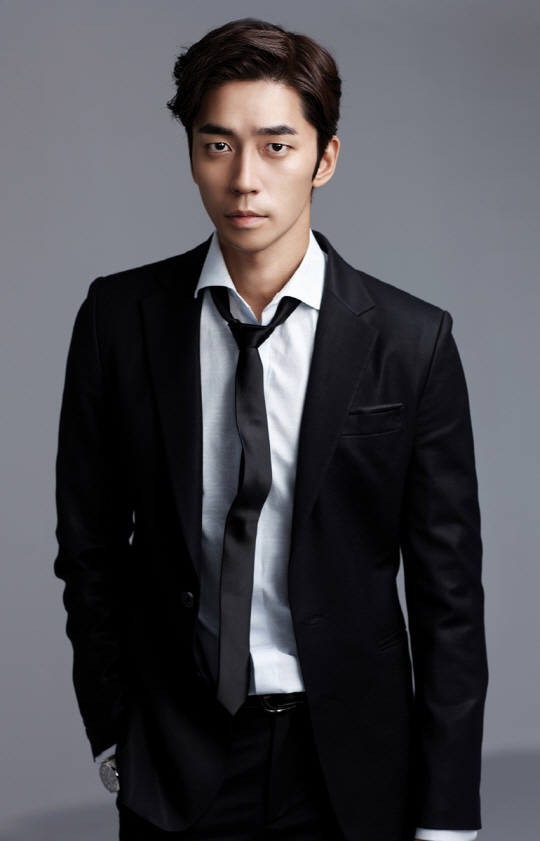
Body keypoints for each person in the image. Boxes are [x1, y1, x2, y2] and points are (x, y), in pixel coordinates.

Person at [55, 18, 488, 841]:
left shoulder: (412, 341)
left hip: (353, 764)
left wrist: (448, 816)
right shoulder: (118, 319)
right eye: (217, 145)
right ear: (192, 154)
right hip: (180, 759)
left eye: (277, 146)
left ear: (325, 158)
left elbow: (449, 599)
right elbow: (90, 545)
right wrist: (114, 730)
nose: (244, 179)